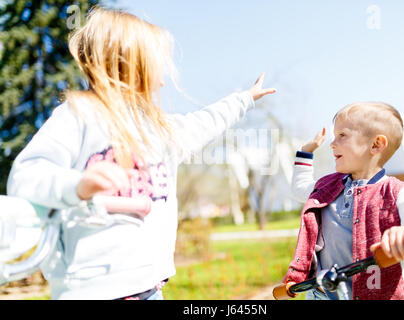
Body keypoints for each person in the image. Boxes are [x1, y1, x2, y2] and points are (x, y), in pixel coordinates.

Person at [6, 7, 276, 300]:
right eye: (157, 64)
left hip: (149, 289)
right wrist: (77, 185)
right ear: (128, 64)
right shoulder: (77, 115)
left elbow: (204, 123)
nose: (163, 79)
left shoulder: (158, 129)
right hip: (91, 291)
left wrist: (243, 100)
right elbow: (26, 177)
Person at [285, 102, 404, 300]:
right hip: (323, 294)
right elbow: (300, 189)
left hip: (377, 293)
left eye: (342, 135)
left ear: (376, 145)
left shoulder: (397, 192)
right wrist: (305, 153)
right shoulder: (328, 186)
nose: (332, 143)